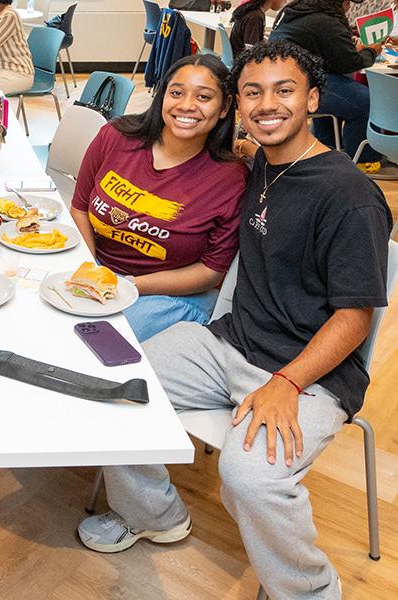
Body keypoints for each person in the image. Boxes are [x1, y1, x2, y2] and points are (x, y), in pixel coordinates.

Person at [78, 41, 392, 600]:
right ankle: (155, 514)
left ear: (314, 98)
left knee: (250, 476)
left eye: (284, 90)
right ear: (238, 107)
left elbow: (355, 317)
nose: (267, 104)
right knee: (110, 389)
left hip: (310, 374)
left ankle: (310, 591)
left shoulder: (349, 195)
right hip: (228, 344)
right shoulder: (257, 168)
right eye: (253, 92)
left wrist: (288, 382)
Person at [70, 53, 247, 342]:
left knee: (94, 339)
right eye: (176, 92)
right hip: (100, 271)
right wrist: (90, 269)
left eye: (204, 97)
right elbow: (79, 208)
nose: (187, 105)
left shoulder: (231, 179)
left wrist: (129, 285)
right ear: (163, 95)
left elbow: (211, 272)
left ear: (225, 106)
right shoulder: (115, 137)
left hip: (169, 294)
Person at [269, 0, 385, 172]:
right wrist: (371, 51)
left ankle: (326, 148)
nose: (348, 7)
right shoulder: (326, 20)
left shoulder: (299, 11)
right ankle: (362, 160)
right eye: (347, 3)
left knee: (336, 89)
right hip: (301, 87)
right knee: (366, 103)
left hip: (282, 81)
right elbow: (348, 63)